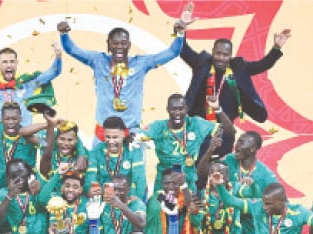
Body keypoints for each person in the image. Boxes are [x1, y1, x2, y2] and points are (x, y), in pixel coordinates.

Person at [181, 1, 290, 156]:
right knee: (193, 166)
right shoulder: (202, 63)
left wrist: (276, 48)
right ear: (213, 52)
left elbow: (262, 65)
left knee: (220, 167)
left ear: (230, 56)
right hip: (198, 129)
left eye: (225, 55)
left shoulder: (239, 68)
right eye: (218, 53)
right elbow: (183, 50)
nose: (221, 58)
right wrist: (181, 28)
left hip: (224, 131)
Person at [56, 15, 189, 139]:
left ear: (129, 45)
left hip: (131, 132)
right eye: (115, 43)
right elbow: (72, 50)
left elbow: (172, 52)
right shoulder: (98, 61)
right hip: (104, 133)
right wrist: (64, 34)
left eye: (123, 43)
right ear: (108, 44)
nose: (119, 47)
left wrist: (180, 34)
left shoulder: (141, 64)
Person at [143, 93, 234, 192]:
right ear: (167, 109)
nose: (177, 113)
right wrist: (133, 136)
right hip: (165, 184)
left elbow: (230, 131)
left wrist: (217, 109)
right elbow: (138, 135)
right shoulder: (158, 126)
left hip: (188, 183)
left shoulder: (196, 124)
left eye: (181, 109)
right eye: (173, 109)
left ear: (186, 109)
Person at [222, 131, 279, 234]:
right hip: (227, 223)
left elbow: (280, 202)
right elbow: (209, 174)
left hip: (251, 227)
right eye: (237, 141)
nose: (237, 145)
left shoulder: (265, 175)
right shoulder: (229, 160)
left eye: (241, 142)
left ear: (253, 148)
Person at [85, 116, 146, 200]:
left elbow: (139, 179)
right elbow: (90, 177)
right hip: (103, 197)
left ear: (123, 134)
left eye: (115, 137)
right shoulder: (96, 152)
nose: (111, 141)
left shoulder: (133, 151)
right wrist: (91, 190)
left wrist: (134, 199)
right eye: (107, 137)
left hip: (127, 197)